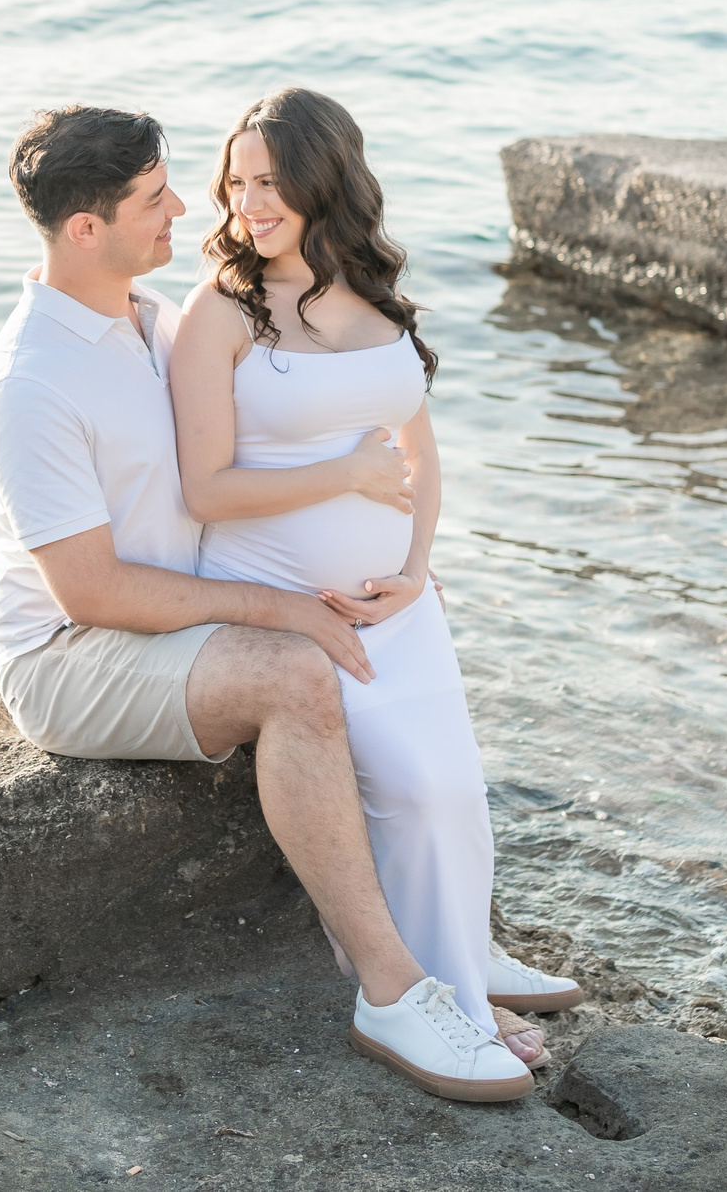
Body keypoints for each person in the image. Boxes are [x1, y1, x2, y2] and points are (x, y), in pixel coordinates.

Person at [0, 103, 537, 1102]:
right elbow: (91, 589)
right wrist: (287, 609)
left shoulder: (147, 321)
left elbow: (259, 449)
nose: (190, 207)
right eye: (155, 197)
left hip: (171, 617)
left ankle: (458, 943)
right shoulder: (33, 378)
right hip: (70, 653)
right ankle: (393, 989)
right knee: (293, 676)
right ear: (86, 228)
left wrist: (382, 549)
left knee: (384, 703)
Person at [169, 88, 582, 1072]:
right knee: (408, 781)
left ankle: (466, 959)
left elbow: (419, 446)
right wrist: (346, 476)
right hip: (287, 601)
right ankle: (436, 999)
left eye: (268, 181)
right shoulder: (221, 312)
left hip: (391, 600)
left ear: (325, 179)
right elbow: (205, 488)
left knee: (455, 790)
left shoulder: (372, 289)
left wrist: (414, 567)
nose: (248, 202)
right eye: (236, 182)